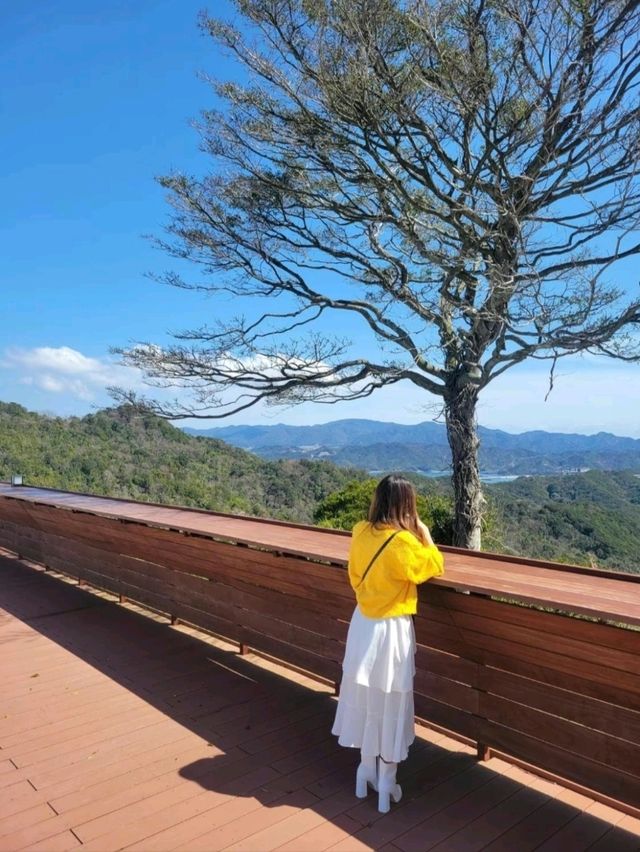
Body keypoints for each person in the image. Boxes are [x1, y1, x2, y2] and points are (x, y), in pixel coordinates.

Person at [332, 474, 445, 813]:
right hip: (392, 630)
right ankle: (386, 781)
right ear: (407, 506)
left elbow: (355, 576)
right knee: (391, 702)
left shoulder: (359, 532)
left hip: (363, 624)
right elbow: (435, 565)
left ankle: (364, 770)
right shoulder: (403, 543)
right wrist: (425, 534)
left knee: (367, 698)